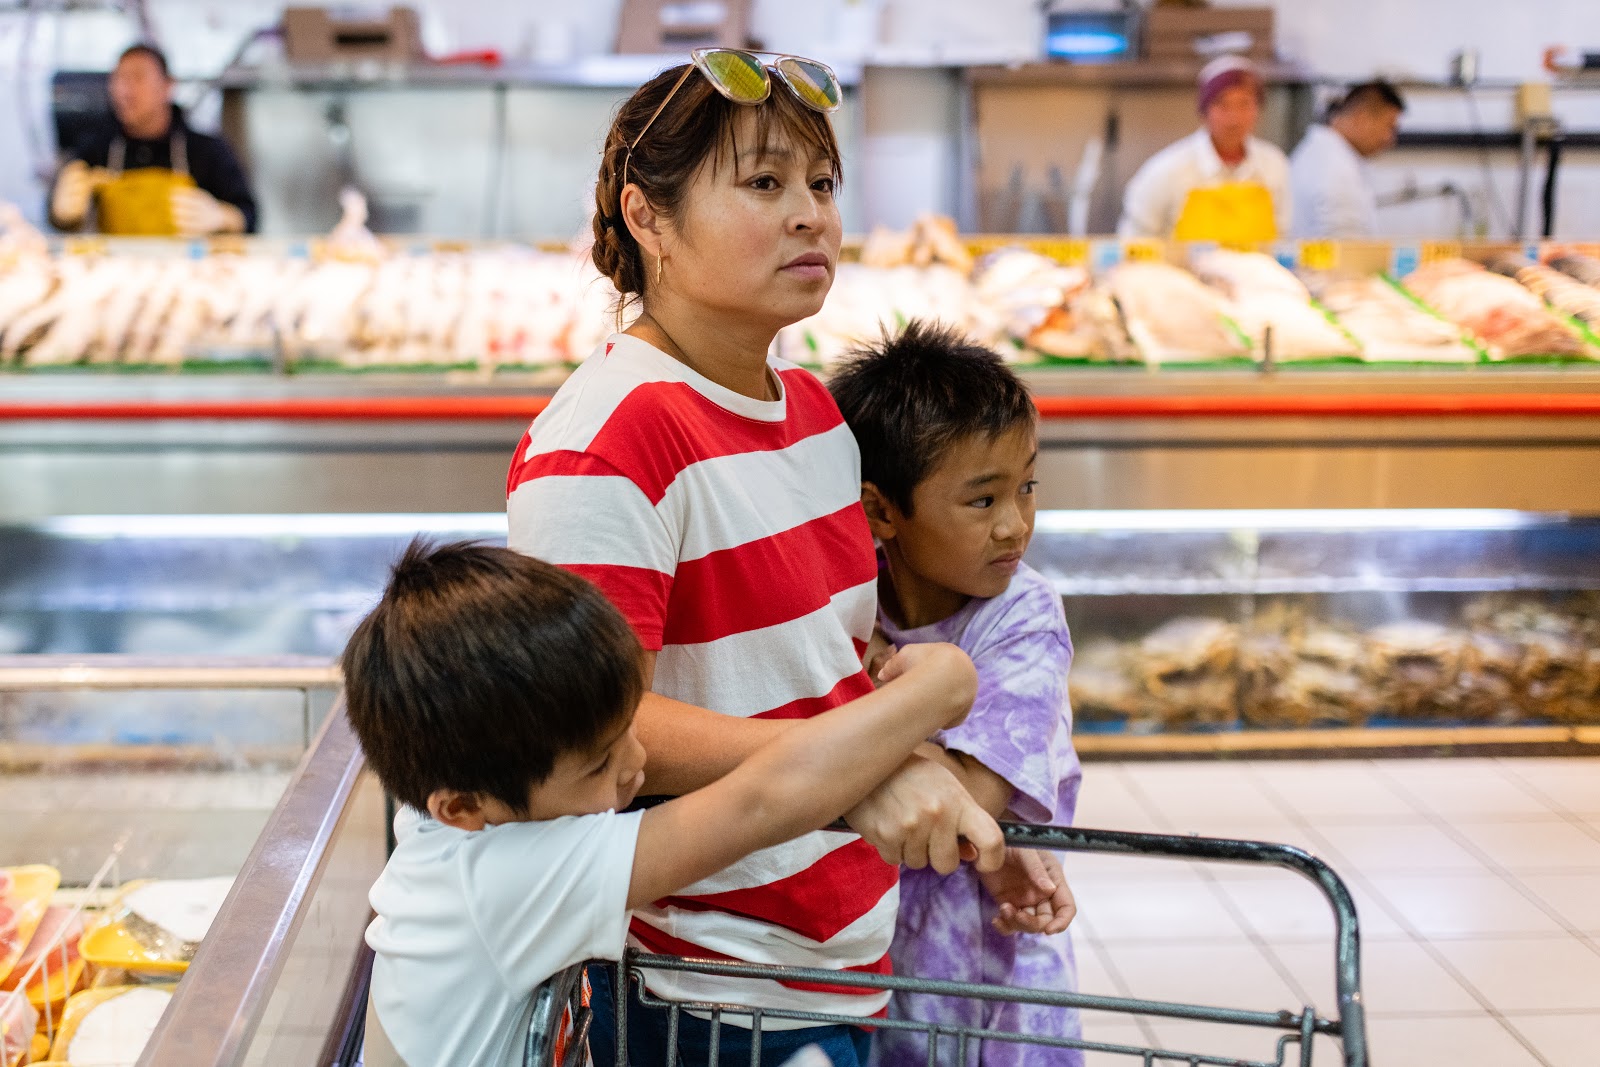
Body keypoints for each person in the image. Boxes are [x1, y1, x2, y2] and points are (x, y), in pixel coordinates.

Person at [506, 52, 1022, 1066]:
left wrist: (889, 723)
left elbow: (802, 669)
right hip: (693, 984)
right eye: (762, 182)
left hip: (832, 955)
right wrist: (851, 770)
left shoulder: (813, 413)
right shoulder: (613, 437)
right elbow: (592, 721)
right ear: (645, 217)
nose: (809, 215)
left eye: (821, 184)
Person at [345, 540, 992, 1067]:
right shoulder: (505, 876)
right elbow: (759, 802)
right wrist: (942, 686)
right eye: (601, 761)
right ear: (463, 804)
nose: (638, 761)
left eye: (631, 725)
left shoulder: (456, 818)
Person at [830, 322, 1084, 1067]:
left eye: (1026, 487)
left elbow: (971, 801)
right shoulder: (845, 602)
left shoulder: (1023, 618)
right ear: (883, 511)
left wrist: (835, 744)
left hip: (994, 989)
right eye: (983, 500)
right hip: (864, 971)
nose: (1016, 524)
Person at [48, 43, 257, 236]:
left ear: (168, 86)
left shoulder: (206, 150)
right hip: (115, 270)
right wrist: (62, 213)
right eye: (119, 79)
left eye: (138, 78)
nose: (124, 90)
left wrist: (223, 217)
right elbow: (55, 215)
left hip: (188, 271)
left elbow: (250, 216)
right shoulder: (95, 149)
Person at [1118, 54, 1291, 244]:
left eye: (1244, 104)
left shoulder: (1274, 165)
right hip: (1182, 273)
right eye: (1222, 105)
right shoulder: (1167, 169)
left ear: (1258, 109)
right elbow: (1135, 241)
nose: (1234, 118)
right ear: (1204, 111)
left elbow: (1285, 238)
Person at [1290, 80, 1406, 238]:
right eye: (1389, 127)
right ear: (1362, 118)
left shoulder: (1325, 154)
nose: (1390, 139)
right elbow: (1347, 248)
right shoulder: (1334, 167)